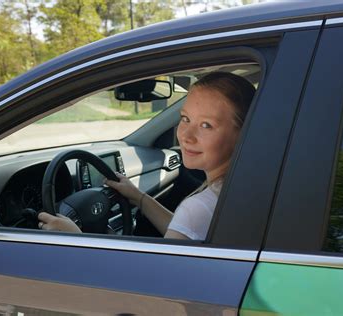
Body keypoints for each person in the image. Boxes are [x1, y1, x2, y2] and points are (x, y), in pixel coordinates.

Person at [38, 72, 256, 240]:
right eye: (185, 118)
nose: (186, 135)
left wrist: (77, 239)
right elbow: (187, 232)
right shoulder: (237, 188)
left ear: (244, 132)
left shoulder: (201, 206)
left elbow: (155, 282)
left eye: (206, 125)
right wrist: (138, 197)